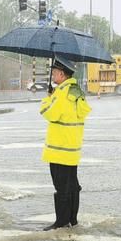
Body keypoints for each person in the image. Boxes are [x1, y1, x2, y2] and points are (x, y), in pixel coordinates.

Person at [39, 55, 92, 230]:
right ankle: (72, 219)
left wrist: (47, 98)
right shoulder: (77, 91)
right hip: (72, 149)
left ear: (62, 74)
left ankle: (61, 221)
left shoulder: (62, 93)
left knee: (61, 186)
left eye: (54, 73)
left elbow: (49, 113)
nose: (53, 76)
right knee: (72, 185)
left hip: (59, 149)